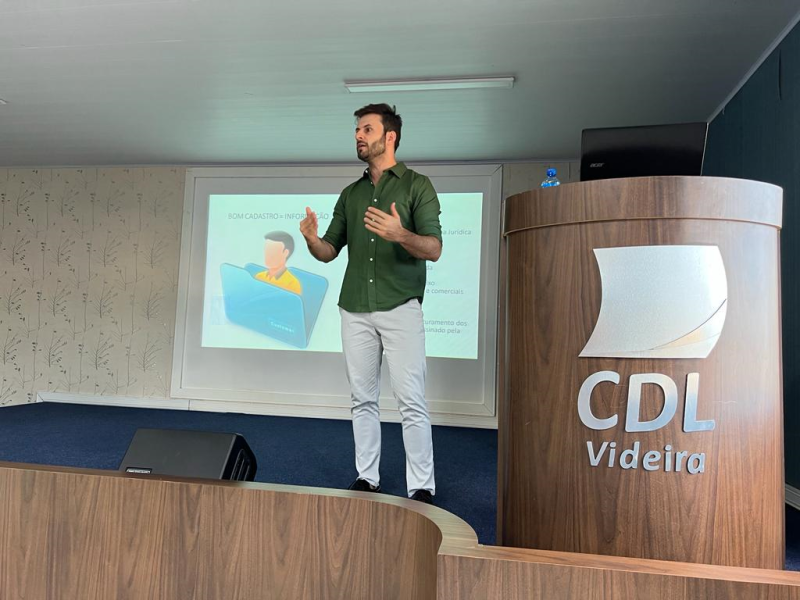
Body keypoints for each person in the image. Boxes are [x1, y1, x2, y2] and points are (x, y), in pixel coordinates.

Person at [299, 104, 442, 504]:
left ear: (389, 136)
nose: (358, 136)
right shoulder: (351, 194)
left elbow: (433, 248)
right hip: (355, 308)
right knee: (362, 399)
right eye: (357, 130)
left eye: (367, 129)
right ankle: (367, 477)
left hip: (400, 306)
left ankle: (421, 486)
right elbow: (328, 252)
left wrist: (401, 235)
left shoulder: (417, 186)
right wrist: (311, 240)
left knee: (411, 400)